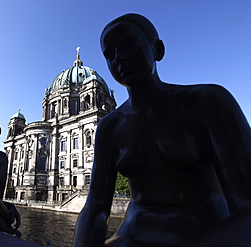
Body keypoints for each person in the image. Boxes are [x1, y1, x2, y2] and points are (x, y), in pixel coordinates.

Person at [73, 14, 251, 247]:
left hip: (203, 235)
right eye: (109, 54)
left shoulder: (208, 102)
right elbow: (95, 208)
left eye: (128, 45)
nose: (119, 58)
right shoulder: (110, 126)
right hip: (131, 237)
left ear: (158, 50)